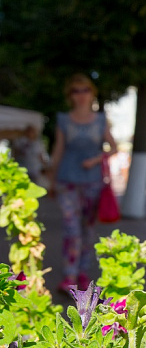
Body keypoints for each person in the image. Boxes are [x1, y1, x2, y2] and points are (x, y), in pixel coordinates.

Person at [47, 73, 118, 293]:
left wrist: (96, 159)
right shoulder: (63, 120)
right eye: (75, 91)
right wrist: (51, 179)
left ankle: (82, 274)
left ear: (91, 93)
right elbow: (57, 151)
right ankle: (68, 277)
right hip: (66, 181)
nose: (81, 95)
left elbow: (113, 148)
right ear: (70, 96)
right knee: (72, 229)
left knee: (87, 231)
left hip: (93, 182)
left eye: (84, 90)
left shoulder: (100, 120)